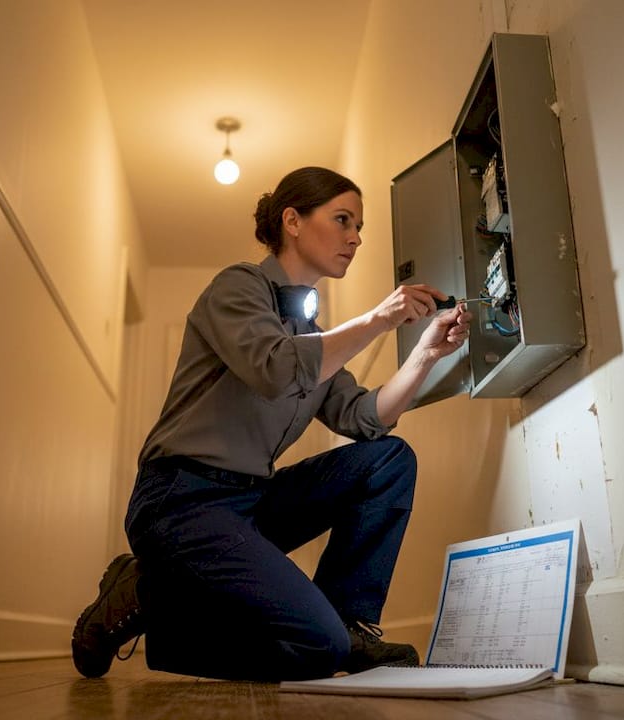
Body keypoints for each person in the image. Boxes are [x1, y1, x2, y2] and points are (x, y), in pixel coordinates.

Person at [71, 166, 471, 681]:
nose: (356, 237)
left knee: (388, 459)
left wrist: (425, 356)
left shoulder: (316, 336)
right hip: (179, 500)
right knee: (316, 650)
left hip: (250, 503)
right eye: (343, 219)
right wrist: (380, 318)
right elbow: (276, 368)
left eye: (359, 227)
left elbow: (365, 419)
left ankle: (348, 624)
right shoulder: (239, 287)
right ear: (293, 220)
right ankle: (150, 596)